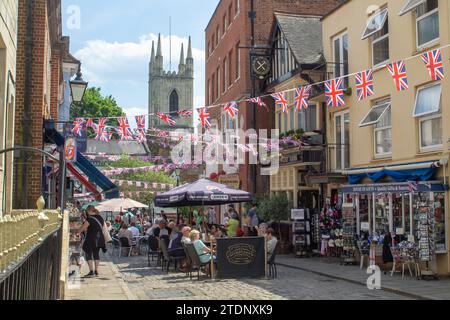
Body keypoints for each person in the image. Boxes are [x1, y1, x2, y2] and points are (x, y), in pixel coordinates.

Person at [78, 205, 106, 277]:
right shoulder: (100, 218)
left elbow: (84, 227)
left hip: (91, 238)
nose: (87, 213)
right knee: (96, 254)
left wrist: (77, 233)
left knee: (88, 253)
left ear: (90, 211)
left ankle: (91, 271)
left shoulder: (89, 219)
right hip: (100, 238)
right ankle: (96, 271)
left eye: (87, 211)